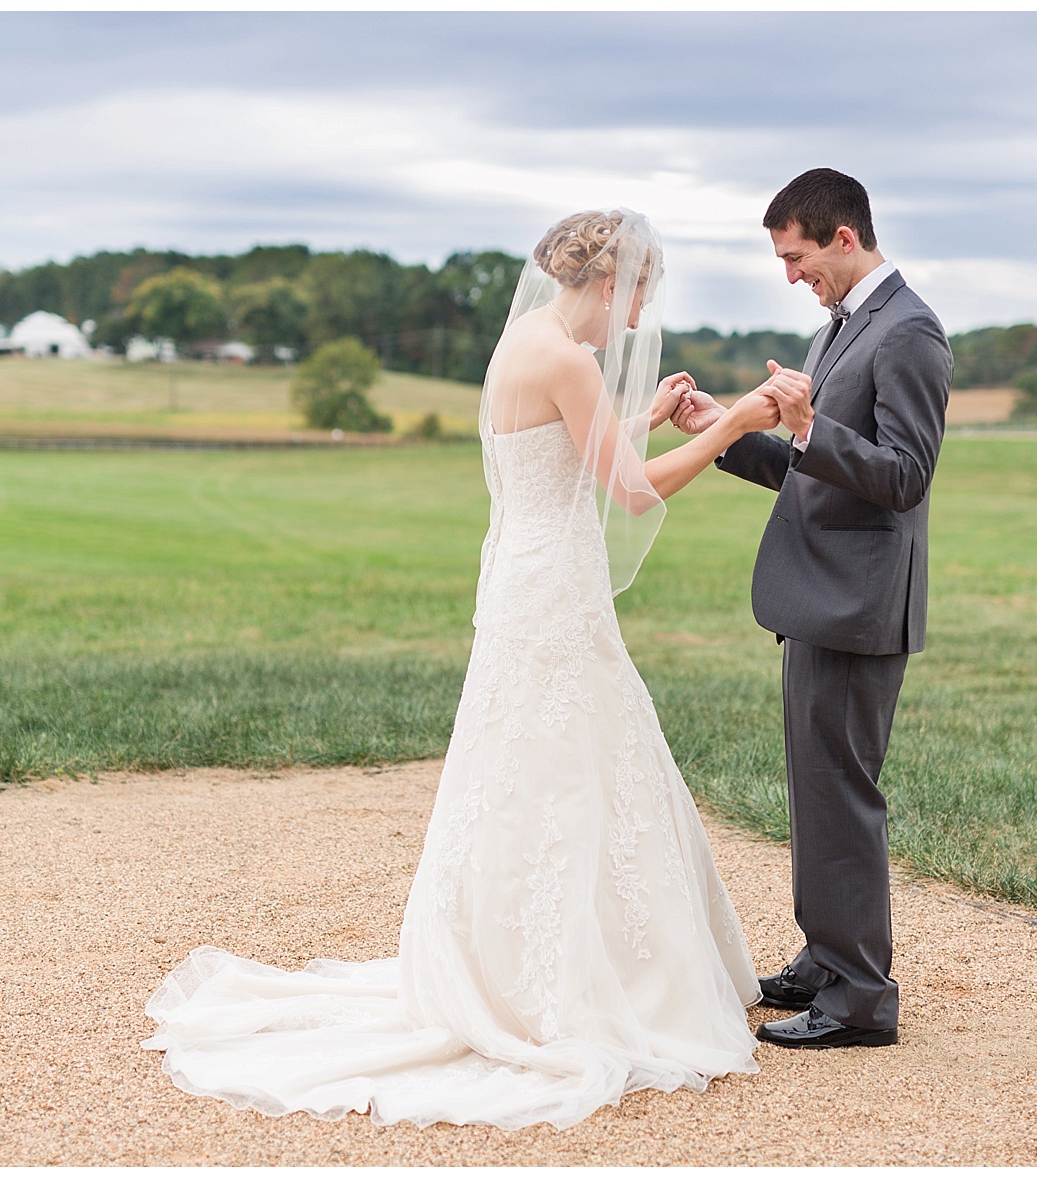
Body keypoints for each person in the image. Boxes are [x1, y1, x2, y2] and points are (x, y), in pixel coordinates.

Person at [143, 209, 799, 1130]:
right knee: (566, 769)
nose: (640, 316)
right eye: (640, 294)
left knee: (537, 769)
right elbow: (630, 489)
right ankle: (566, 985)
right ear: (609, 283)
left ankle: (522, 963)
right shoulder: (569, 358)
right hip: (552, 596)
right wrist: (733, 423)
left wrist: (643, 416)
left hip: (533, 583)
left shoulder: (528, 342)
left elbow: (570, 456)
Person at [672, 168, 952, 1049]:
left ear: (842, 236)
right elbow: (813, 468)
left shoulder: (908, 332)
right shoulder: (844, 327)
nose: (790, 275)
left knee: (841, 798)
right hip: (821, 594)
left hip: (858, 602)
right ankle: (824, 962)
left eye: (796, 257)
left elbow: (904, 477)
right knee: (815, 792)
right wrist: (724, 429)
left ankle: (860, 1000)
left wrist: (803, 426)